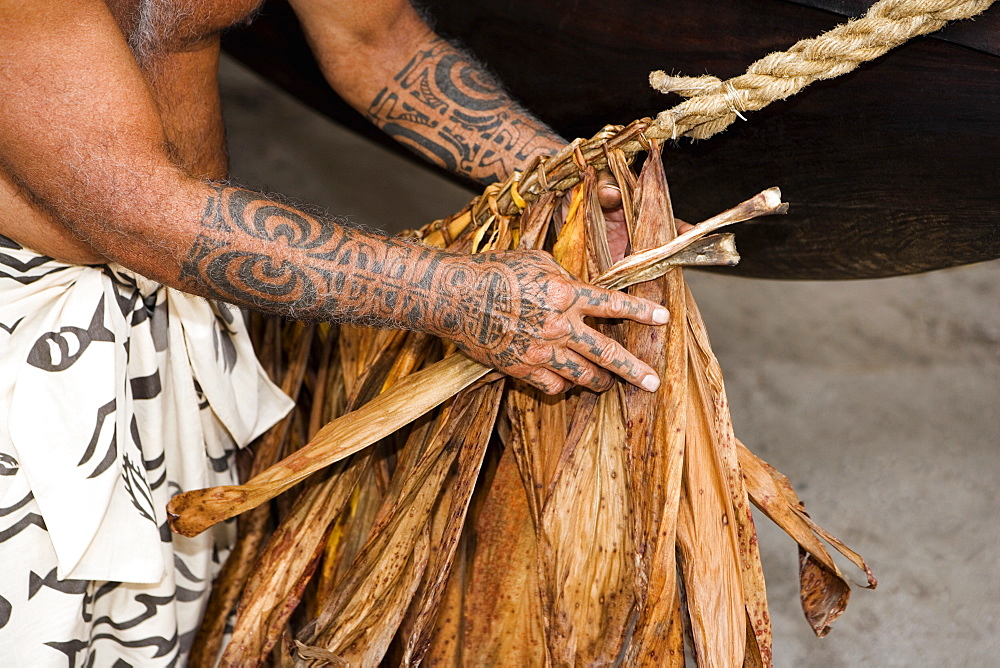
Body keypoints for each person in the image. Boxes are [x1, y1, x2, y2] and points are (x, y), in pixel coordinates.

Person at [0, 0, 669, 664]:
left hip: (176, 303)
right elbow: (135, 212)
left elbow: (381, 45)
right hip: (27, 325)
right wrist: (462, 296)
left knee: (145, 620)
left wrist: (580, 183)